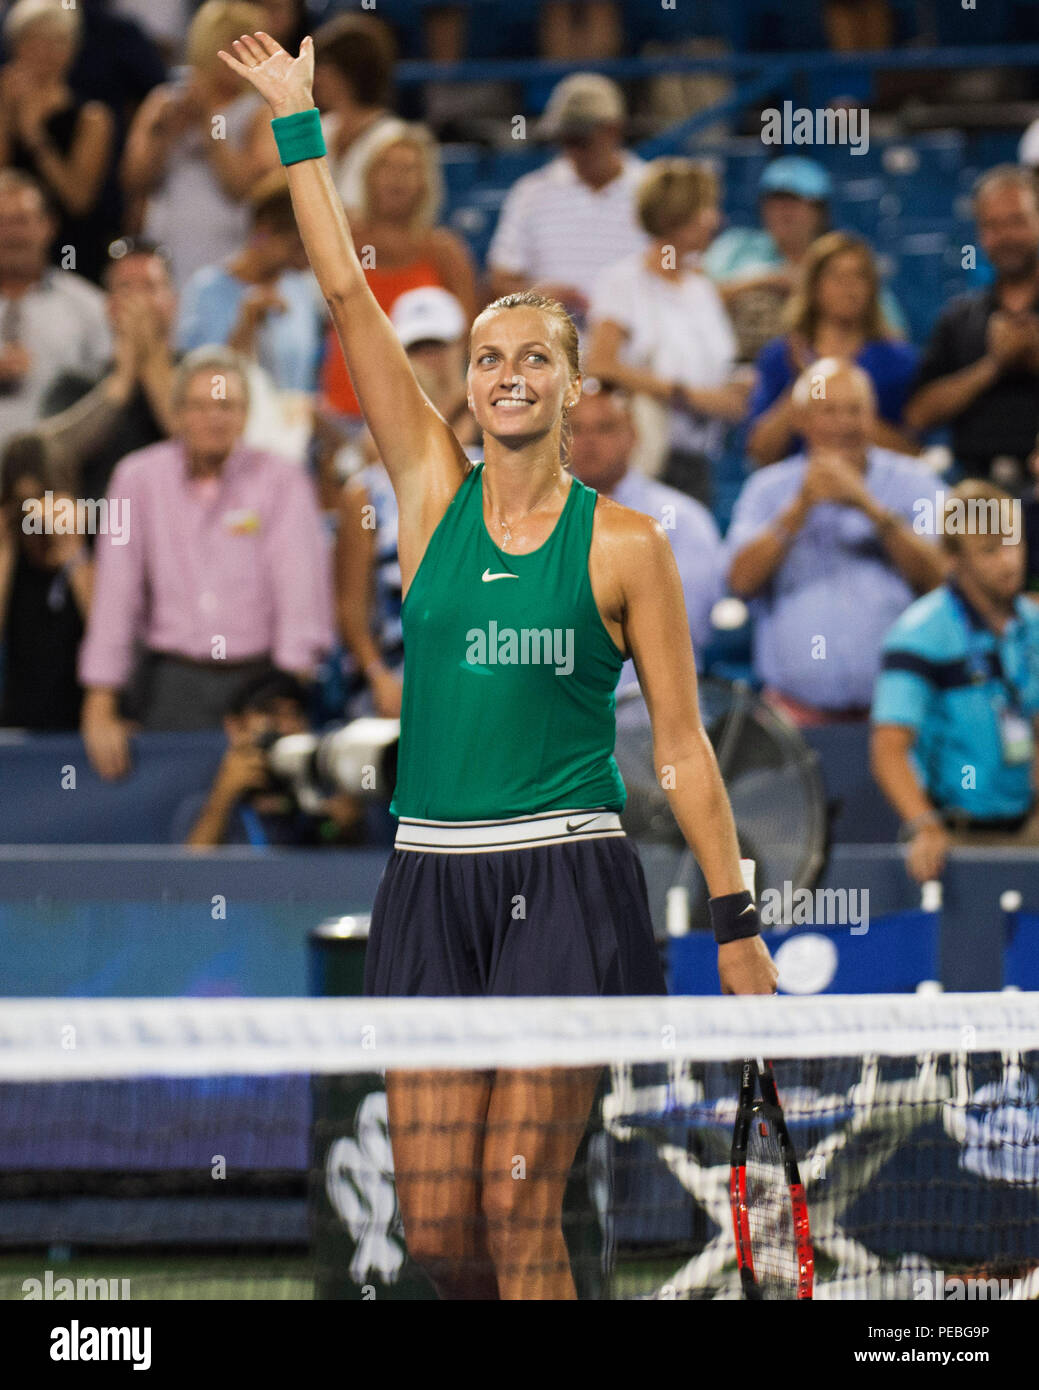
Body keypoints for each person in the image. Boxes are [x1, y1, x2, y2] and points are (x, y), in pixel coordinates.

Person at [218, 27, 776, 1303]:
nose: (508, 372)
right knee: (443, 1232)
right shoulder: (427, 491)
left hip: (565, 885)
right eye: (487, 357)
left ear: (575, 389)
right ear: (462, 390)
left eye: (535, 355)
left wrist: (737, 920)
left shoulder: (627, 546)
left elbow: (682, 746)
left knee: (524, 1214)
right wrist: (305, 126)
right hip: (428, 878)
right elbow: (347, 293)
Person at [77, 346, 333, 779]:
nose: (213, 418)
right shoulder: (134, 479)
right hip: (173, 682)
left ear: (246, 413)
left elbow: (300, 592)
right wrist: (100, 699)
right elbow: (116, 593)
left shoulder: (282, 480)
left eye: (225, 405)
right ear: (176, 413)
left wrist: (286, 695)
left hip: (261, 682)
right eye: (198, 406)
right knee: (171, 810)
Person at [726, 359, 946, 726]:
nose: (843, 424)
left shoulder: (918, 483)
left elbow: (941, 578)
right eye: (828, 410)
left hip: (900, 716)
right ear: (801, 419)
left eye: (855, 410)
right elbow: (740, 582)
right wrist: (799, 508)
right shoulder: (767, 490)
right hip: (792, 718)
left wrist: (868, 507)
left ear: (871, 416)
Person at [871, 479, 1039, 883]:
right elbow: (889, 748)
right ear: (952, 559)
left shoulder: (1032, 625)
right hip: (954, 842)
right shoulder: (919, 634)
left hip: (1028, 835)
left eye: (1013, 544)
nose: (1008, 562)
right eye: (989, 550)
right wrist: (925, 825)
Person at [336, 286, 478, 721]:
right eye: (416, 350)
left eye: (438, 347)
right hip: (401, 679)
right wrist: (379, 677)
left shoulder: (501, 468)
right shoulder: (368, 489)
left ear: (461, 350)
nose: (429, 361)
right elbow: (351, 607)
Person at [585, 157, 747, 508]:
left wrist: (714, 395)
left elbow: (731, 390)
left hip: (698, 459)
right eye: (706, 209)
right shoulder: (623, 282)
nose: (715, 220)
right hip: (642, 457)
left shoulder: (701, 289)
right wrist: (678, 392)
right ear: (679, 215)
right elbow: (600, 365)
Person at [318, 121, 475, 428]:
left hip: (423, 411)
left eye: (408, 169)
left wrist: (451, 410)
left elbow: (469, 339)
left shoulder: (445, 251)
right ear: (369, 176)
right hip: (345, 404)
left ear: (424, 182)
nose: (397, 179)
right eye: (387, 167)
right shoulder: (345, 237)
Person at [567, 379, 723, 681]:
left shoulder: (682, 520)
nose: (588, 441)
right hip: (564, 709)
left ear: (632, 435)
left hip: (651, 707)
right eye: (577, 429)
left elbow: (686, 627)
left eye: (605, 428)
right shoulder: (536, 518)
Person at [120, 0, 281, 289]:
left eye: (245, 47)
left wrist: (208, 122)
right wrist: (167, 133)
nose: (237, 56)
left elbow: (244, 189)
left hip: (228, 248)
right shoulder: (165, 100)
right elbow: (135, 179)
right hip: (166, 244)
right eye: (228, 45)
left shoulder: (260, 111)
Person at [904, 166, 1039, 490]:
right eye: (993, 225)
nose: (1005, 236)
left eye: (1016, 221)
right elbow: (918, 415)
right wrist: (992, 365)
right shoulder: (959, 318)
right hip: (975, 495)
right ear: (980, 234)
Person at [701, 156, 906, 365]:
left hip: (824, 371)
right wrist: (762, 281)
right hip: (733, 370)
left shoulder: (842, 259)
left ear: (819, 211)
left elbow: (893, 333)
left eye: (793, 202)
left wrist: (815, 291)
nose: (782, 212)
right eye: (774, 202)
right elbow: (690, 303)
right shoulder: (735, 248)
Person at [486, 72, 649, 327]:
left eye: (580, 141)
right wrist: (537, 297)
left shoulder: (652, 189)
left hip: (637, 349)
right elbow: (501, 282)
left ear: (613, 130)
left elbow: (682, 275)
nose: (572, 152)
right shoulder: (531, 193)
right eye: (564, 140)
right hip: (551, 347)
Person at [746, 231, 919, 467]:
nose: (849, 287)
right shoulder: (781, 357)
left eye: (859, 276)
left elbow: (916, 453)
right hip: (797, 487)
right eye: (836, 277)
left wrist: (847, 414)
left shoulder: (898, 361)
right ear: (814, 287)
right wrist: (802, 383)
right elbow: (760, 453)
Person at [35, 237, 177, 501]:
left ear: (173, 301)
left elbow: (197, 440)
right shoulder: (75, 381)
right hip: (96, 527)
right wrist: (121, 380)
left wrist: (151, 365)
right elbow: (48, 455)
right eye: (126, 288)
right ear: (109, 305)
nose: (139, 302)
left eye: (150, 287)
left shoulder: (202, 373)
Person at [176, 668, 364, 847]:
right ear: (235, 726)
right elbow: (190, 874)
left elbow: (342, 868)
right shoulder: (205, 808)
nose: (287, 727)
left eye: (295, 714)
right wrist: (222, 799)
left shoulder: (318, 802)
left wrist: (341, 828)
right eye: (271, 713)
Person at [0, 0, 117, 285]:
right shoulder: (4, 107)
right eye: (34, 40)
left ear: (72, 50)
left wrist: (33, 134)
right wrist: (5, 113)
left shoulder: (92, 117)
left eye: (55, 42)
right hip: (7, 245)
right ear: (16, 46)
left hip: (70, 250)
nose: (44, 52)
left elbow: (77, 199)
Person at [177, 171, 321, 393]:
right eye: (296, 246)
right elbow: (206, 383)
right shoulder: (205, 290)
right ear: (263, 232)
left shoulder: (302, 291)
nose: (305, 258)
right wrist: (247, 325)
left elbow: (305, 382)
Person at [0, 169, 111, 448]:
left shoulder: (89, 306)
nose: (11, 235)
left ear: (47, 226)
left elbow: (109, 395)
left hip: (59, 464)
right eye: (2, 223)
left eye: (21, 221)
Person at [0, 431, 92, 728]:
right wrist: (6, 548)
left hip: (84, 714)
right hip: (20, 716)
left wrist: (71, 549)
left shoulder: (90, 542)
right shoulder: (10, 553)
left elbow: (107, 631)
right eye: (23, 506)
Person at [311, 12, 407, 217]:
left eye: (323, 67)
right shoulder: (321, 128)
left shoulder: (394, 139)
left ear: (349, 73)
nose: (315, 78)